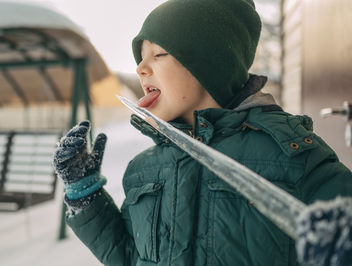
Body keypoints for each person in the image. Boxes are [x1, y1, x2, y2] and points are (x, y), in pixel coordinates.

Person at [53, 0, 352, 265]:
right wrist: (86, 195)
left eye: (159, 54)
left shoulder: (294, 156)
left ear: (210, 65)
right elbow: (131, 257)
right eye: (140, 57)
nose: (141, 68)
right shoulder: (143, 169)